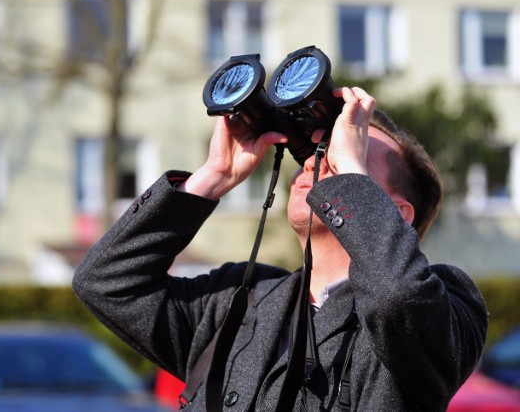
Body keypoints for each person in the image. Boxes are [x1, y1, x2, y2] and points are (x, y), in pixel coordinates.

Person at [73, 86, 488, 411]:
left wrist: (351, 172)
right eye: (314, 152)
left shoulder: (446, 307)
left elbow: (397, 296)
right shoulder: (238, 301)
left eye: (342, 154)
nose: (313, 162)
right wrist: (212, 177)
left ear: (396, 212)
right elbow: (105, 282)